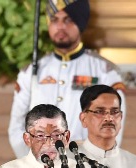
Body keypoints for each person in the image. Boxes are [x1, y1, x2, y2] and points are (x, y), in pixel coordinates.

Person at [8, 0, 125, 158]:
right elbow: (17, 125)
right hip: (39, 167)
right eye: (54, 20)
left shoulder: (105, 71)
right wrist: (31, 163)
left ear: (80, 23)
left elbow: (113, 125)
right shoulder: (31, 72)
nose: (60, 26)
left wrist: (95, 165)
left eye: (68, 20)